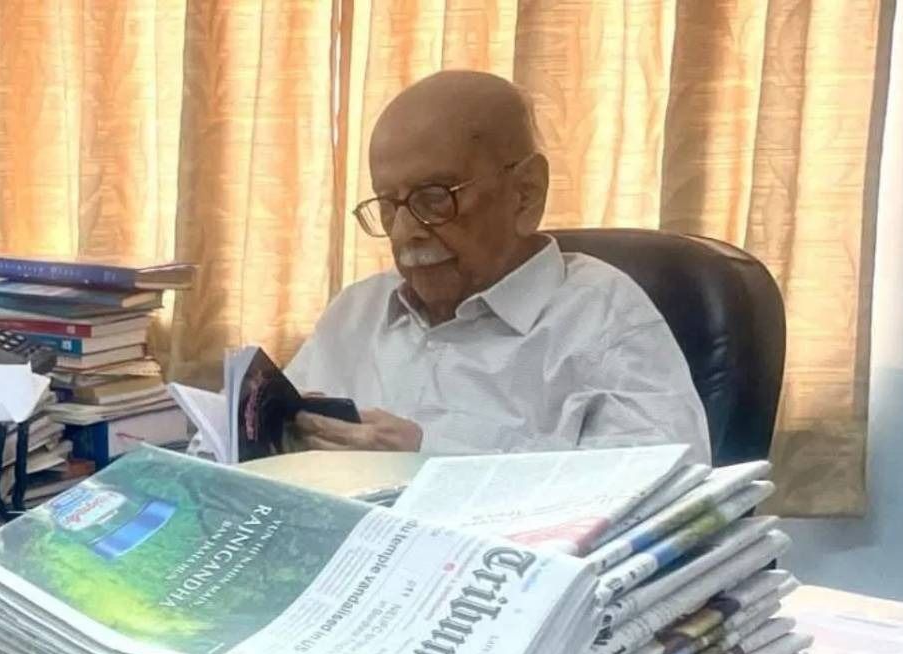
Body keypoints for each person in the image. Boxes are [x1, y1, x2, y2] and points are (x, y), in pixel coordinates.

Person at [288, 70, 710, 464]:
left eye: (434, 199)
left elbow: (661, 484)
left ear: (526, 193)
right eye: (387, 205)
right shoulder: (356, 310)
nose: (403, 233)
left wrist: (426, 458)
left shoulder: (601, 315)